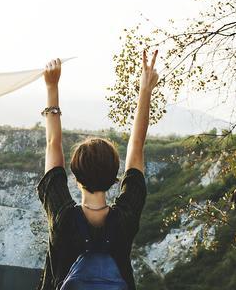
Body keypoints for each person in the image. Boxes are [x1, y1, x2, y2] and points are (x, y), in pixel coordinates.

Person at [36, 52, 159, 290]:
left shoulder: (63, 218)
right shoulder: (125, 219)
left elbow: (53, 144)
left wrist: (52, 86)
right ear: (115, 176)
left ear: (75, 175)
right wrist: (145, 91)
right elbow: (136, 147)